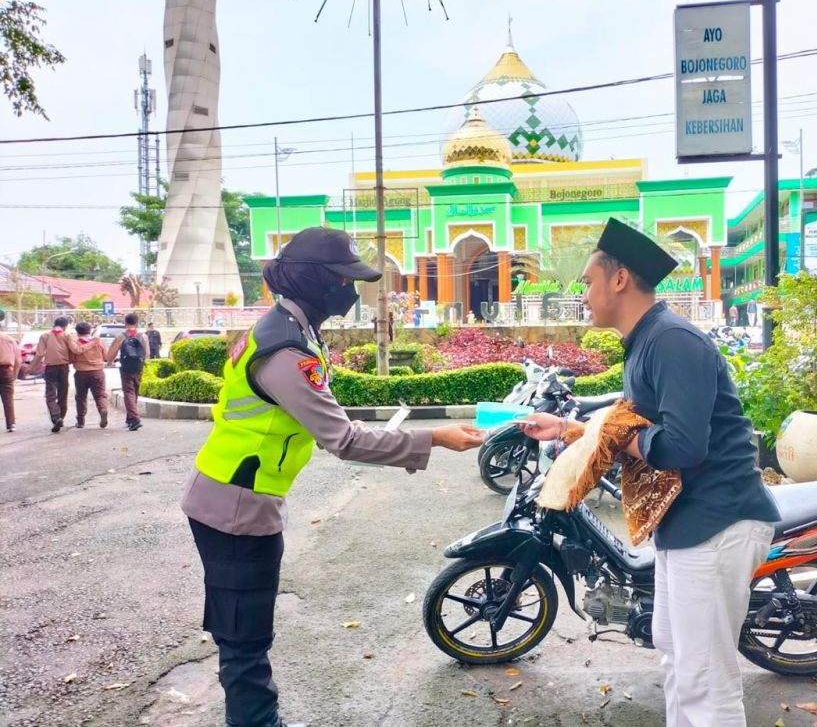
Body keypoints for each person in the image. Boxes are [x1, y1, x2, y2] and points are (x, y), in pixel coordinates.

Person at [180, 227, 484, 727]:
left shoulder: (288, 329)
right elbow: (342, 441)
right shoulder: (285, 351)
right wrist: (433, 438)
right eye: (345, 279)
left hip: (235, 498)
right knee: (244, 640)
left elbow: (326, 419)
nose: (352, 290)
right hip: (234, 510)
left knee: (244, 633)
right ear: (318, 283)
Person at [517, 218, 781, 727]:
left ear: (619, 279)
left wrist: (617, 435)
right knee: (678, 657)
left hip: (716, 522)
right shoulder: (644, 342)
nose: (584, 294)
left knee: (706, 676)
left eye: (589, 282)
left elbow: (679, 445)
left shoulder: (672, 341)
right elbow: (626, 426)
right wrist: (566, 429)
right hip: (687, 525)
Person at [28, 316, 72, 433]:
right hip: (64, 367)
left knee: (50, 394)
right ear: (65, 326)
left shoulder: (45, 336)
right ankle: (61, 417)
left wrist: (30, 368)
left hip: (50, 368)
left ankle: (56, 416)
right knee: (63, 393)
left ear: (54, 324)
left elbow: (39, 354)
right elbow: (74, 350)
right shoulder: (67, 336)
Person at [105, 313, 149, 431]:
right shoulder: (143, 336)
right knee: (135, 391)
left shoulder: (122, 336)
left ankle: (134, 419)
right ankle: (130, 417)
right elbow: (147, 354)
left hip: (126, 368)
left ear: (125, 323)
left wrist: (109, 362)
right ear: (137, 323)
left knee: (128, 392)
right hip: (138, 368)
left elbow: (111, 354)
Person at [67, 322, 109, 429]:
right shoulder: (98, 342)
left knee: (81, 397)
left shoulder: (75, 343)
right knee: (100, 395)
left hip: (81, 373)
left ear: (77, 332)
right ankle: (103, 409)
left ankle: (81, 420)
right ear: (90, 331)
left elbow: (71, 358)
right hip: (97, 372)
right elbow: (106, 357)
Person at [0, 311, 20, 432]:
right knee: (8, 398)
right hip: (6, 370)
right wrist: (15, 374)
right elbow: (18, 359)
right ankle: (11, 424)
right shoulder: (10, 339)